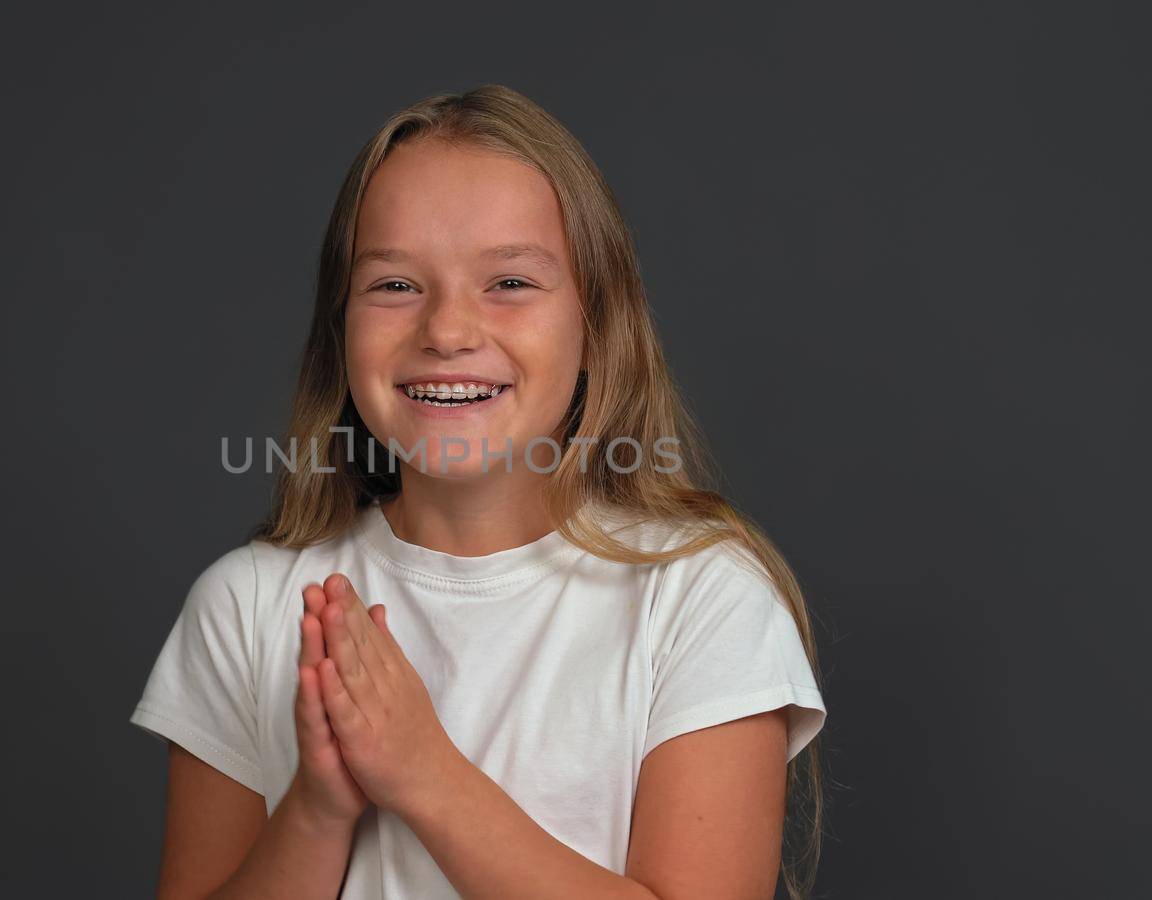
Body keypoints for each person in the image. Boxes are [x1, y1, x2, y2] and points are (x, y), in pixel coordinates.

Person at [130, 84, 829, 899]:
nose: (447, 330)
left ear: (597, 327)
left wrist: (426, 776)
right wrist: (318, 810)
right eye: (394, 285)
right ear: (340, 329)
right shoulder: (245, 606)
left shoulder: (700, 599)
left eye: (509, 283)